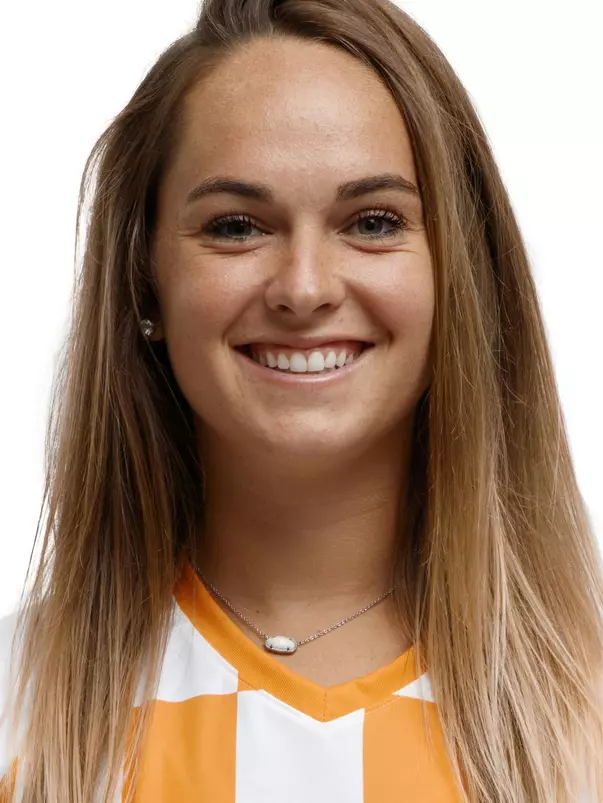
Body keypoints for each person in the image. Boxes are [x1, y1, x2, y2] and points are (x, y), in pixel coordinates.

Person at [1, 0, 602, 800]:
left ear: (460, 270)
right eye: (237, 226)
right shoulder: (17, 708)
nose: (305, 287)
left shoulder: (585, 717)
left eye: (374, 220)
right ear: (145, 280)